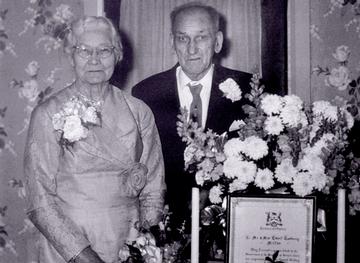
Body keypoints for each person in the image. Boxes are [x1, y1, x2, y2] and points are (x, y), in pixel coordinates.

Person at [24, 16, 165, 263]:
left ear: (117, 55)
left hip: (128, 242)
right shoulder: (48, 113)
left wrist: (146, 247)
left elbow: (153, 187)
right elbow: (40, 201)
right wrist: (84, 256)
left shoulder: (138, 111)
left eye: (104, 50)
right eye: (84, 50)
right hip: (69, 248)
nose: (94, 59)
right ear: (71, 56)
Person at [132, 2, 257, 223]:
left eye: (201, 37)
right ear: (172, 42)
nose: (192, 49)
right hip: (165, 223)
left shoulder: (249, 90)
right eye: (183, 38)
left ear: (217, 42)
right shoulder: (145, 93)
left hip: (232, 221)